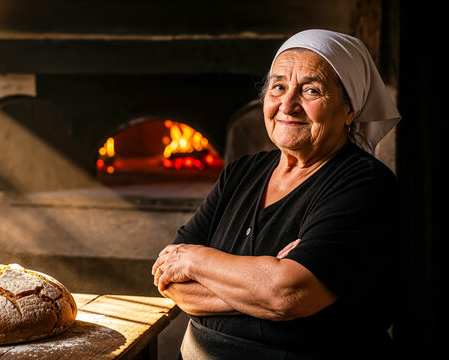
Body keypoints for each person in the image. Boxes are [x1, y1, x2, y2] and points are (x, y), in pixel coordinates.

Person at [152, 29, 402, 359]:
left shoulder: (365, 185)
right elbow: (170, 280)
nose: (287, 104)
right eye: (278, 87)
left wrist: (196, 260)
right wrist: (263, 285)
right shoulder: (241, 172)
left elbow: (287, 294)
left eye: (311, 90)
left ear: (349, 110)